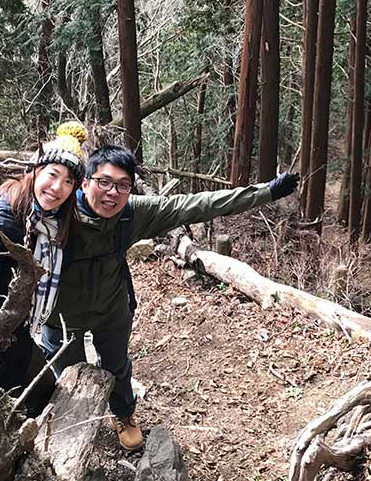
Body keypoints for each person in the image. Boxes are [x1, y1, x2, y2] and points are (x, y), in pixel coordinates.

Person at [41, 142, 298, 451]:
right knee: (68, 374)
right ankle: (75, 424)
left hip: (110, 308)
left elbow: (197, 204)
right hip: (61, 317)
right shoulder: (54, 211)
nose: (112, 193)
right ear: (85, 182)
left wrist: (266, 192)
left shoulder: (131, 214)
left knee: (117, 366)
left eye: (123, 186)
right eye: (104, 182)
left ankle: (123, 415)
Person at [0, 121, 88, 416]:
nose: (58, 187)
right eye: (53, 174)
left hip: (18, 328)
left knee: (42, 395)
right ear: (35, 171)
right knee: (27, 403)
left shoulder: (54, 221)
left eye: (68, 181)